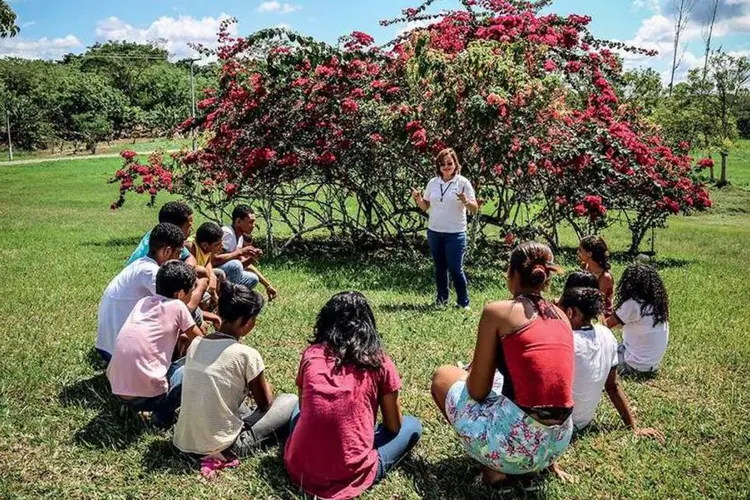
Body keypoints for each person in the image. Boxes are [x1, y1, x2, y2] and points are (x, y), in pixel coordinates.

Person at [430, 242, 575, 486]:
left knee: (443, 376)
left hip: (512, 448)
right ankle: (529, 469)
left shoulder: (497, 311)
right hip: (556, 445)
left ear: (513, 273)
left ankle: (493, 468)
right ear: (546, 278)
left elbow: (477, 392)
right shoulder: (561, 315)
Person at [284, 292, 423, 500]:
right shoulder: (379, 362)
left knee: (297, 408)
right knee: (413, 426)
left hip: (300, 468)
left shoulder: (311, 354)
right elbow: (394, 426)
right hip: (350, 475)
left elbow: (305, 407)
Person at [174, 282, 297, 462]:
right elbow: (265, 404)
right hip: (222, 446)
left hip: (184, 441)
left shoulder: (196, 344)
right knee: (289, 400)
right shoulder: (246, 354)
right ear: (244, 321)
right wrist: (265, 385)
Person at [559, 280, 664, 442]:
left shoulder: (565, 340)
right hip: (583, 421)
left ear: (571, 313)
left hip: (558, 425)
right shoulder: (606, 334)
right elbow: (612, 386)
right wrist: (633, 427)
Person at [106, 260, 205, 426]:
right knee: (197, 368)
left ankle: (129, 406)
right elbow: (202, 342)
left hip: (117, 388)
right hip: (147, 397)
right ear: (180, 294)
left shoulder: (142, 302)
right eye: (191, 290)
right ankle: (161, 415)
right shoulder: (178, 306)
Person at [95, 223, 186, 364]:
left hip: (106, 345)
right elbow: (178, 307)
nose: (179, 259)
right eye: (178, 253)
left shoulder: (140, 264)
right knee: (182, 315)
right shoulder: (152, 272)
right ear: (167, 252)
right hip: (120, 352)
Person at [411, 148, 478, 310]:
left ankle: (463, 303)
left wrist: (465, 201)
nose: (446, 167)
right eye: (443, 164)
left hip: (455, 233)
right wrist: (418, 198)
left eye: (449, 163)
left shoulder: (463, 182)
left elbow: (474, 209)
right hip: (435, 231)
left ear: (456, 164)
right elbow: (425, 207)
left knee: (455, 268)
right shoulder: (433, 183)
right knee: (440, 267)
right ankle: (442, 300)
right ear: (438, 166)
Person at [606, 264, 670, 376]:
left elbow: (605, 326)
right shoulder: (657, 305)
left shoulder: (633, 304)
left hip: (632, 364)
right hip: (651, 365)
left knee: (596, 352)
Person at [214, 205, 278, 301]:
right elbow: (214, 260)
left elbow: (243, 264)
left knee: (253, 278)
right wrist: (240, 252)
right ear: (238, 221)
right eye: (250, 222)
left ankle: (234, 299)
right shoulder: (227, 234)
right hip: (215, 273)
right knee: (235, 265)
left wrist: (267, 285)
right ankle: (227, 302)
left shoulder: (240, 237)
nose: (253, 225)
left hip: (226, 274)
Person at [125, 201, 196, 267]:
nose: (192, 229)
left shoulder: (170, 238)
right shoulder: (149, 258)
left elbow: (189, 257)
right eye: (188, 226)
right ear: (174, 228)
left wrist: (187, 270)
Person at [578, 235, 614, 317]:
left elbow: (597, 301)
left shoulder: (605, 277)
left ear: (589, 254)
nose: (577, 253)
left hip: (600, 315)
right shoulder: (584, 267)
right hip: (584, 307)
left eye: (580, 250)